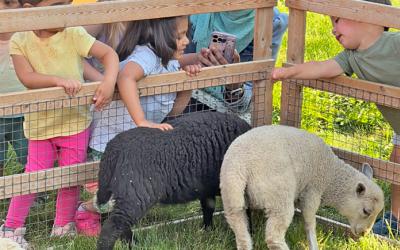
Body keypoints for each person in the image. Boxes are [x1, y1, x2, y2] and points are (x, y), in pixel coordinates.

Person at [272, 0, 398, 237]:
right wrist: (288, 72)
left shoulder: (395, 44)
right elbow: (322, 67)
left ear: (366, 16)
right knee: (398, 163)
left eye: (337, 19)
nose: (332, 28)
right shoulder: (352, 57)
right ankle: (397, 219)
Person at [0, 0, 119, 247]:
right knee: (33, 176)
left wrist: (108, 82)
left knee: (70, 176)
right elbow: (27, 77)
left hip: (74, 122)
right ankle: (11, 227)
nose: (63, 12)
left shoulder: (74, 33)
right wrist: (58, 80)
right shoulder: (20, 39)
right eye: (56, 6)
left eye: (66, 5)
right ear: (31, 7)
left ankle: (63, 225)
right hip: (40, 125)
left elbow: (109, 54)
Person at [75, 15, 202, 236]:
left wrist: (188, 81)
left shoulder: (168, 61)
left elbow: (173, 112)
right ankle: (86, 210)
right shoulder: (146, 56)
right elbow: (125, 78)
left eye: (187, 34)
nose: (186, 41)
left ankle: (119, 205)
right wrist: (141, 121)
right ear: (158, 36)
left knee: (142, 186)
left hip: (133, 144)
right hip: (109, 143)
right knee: (118, 193)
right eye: (179, 36)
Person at [187, 8, 288, 113]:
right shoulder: (195, 7)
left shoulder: (269, 20)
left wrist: (234, 82)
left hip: (228, 112)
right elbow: (171, 62)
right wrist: (194, 60)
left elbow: (253, 96)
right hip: (183, 95)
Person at [0, 0, 28, 177]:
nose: (2, 9)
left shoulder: (28, 36)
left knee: (30, 156)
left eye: (8, 3)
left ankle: (34, 193)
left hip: (26, 112)